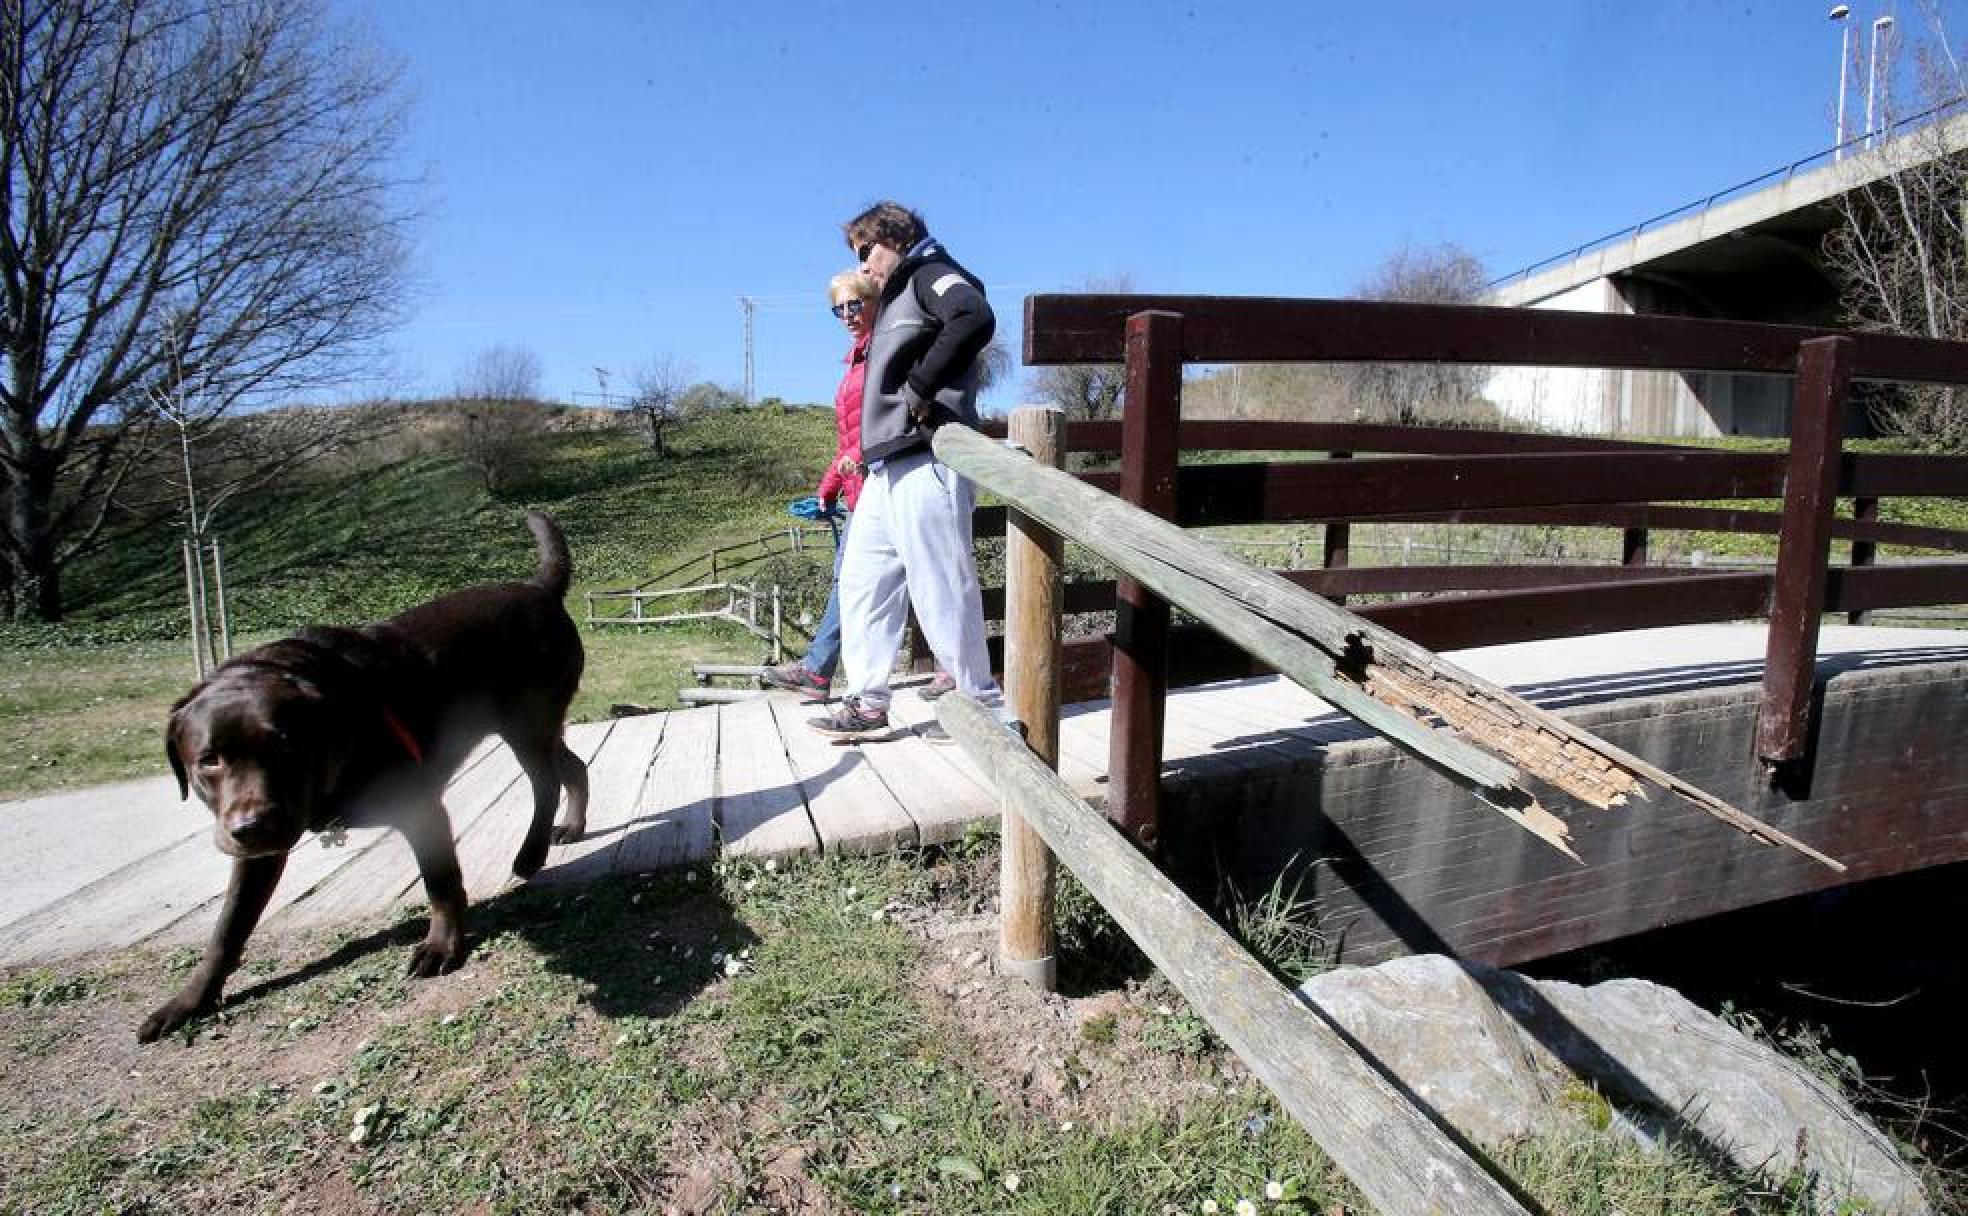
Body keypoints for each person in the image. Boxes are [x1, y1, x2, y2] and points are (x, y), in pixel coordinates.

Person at [808, 201, 1001, 740]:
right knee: (862, 582)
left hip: (927, 455)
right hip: (885, 465)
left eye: (866, 250)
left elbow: (974, 315)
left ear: (896, 237)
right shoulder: (894, 296)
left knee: (941, 584)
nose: (863, 265)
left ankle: (980, 706)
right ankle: (868, 702)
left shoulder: (930, 273)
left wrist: (921, 386)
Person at [758, 270, 877, 699]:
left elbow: (877, 427)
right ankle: (819, 671)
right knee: (862, 579)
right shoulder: (855, 361)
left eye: (855, 304)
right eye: (839, 308)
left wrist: (850, 467)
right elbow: (848, 441)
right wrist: (828, 491)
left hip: (879, 485)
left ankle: (819, 671)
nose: (847, 314)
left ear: (874, 301)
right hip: (861, 489)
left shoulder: (880, 353)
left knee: (864, 578)